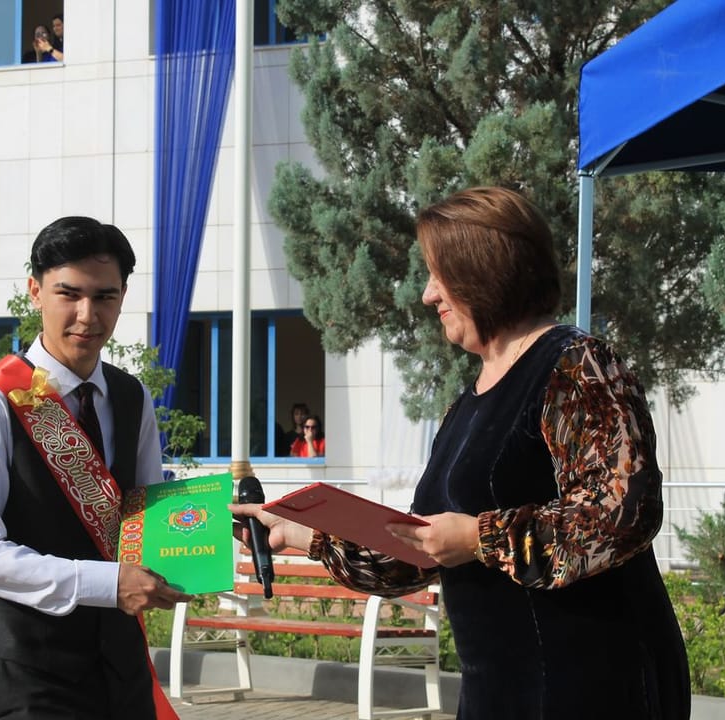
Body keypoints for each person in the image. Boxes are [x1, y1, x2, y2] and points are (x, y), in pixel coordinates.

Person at [231, 186, 691, 720]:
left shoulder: (575, 365)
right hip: (500, 692)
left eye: (437, 274)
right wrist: (301, 533)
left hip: (592, 686)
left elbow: (621, 514)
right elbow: (423, 548)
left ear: (484, 270)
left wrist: (478, 537)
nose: (428, 295)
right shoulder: (465, 406)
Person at [0, 217, 190, 719]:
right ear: (35, 291)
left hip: (120, 654)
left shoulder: (131, 396)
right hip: (33, 665)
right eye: (69, 294)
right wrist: (106, 583)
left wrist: (204, 526)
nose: (87, 315)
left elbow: (143, 510)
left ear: (123, 296)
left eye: (105, 297)